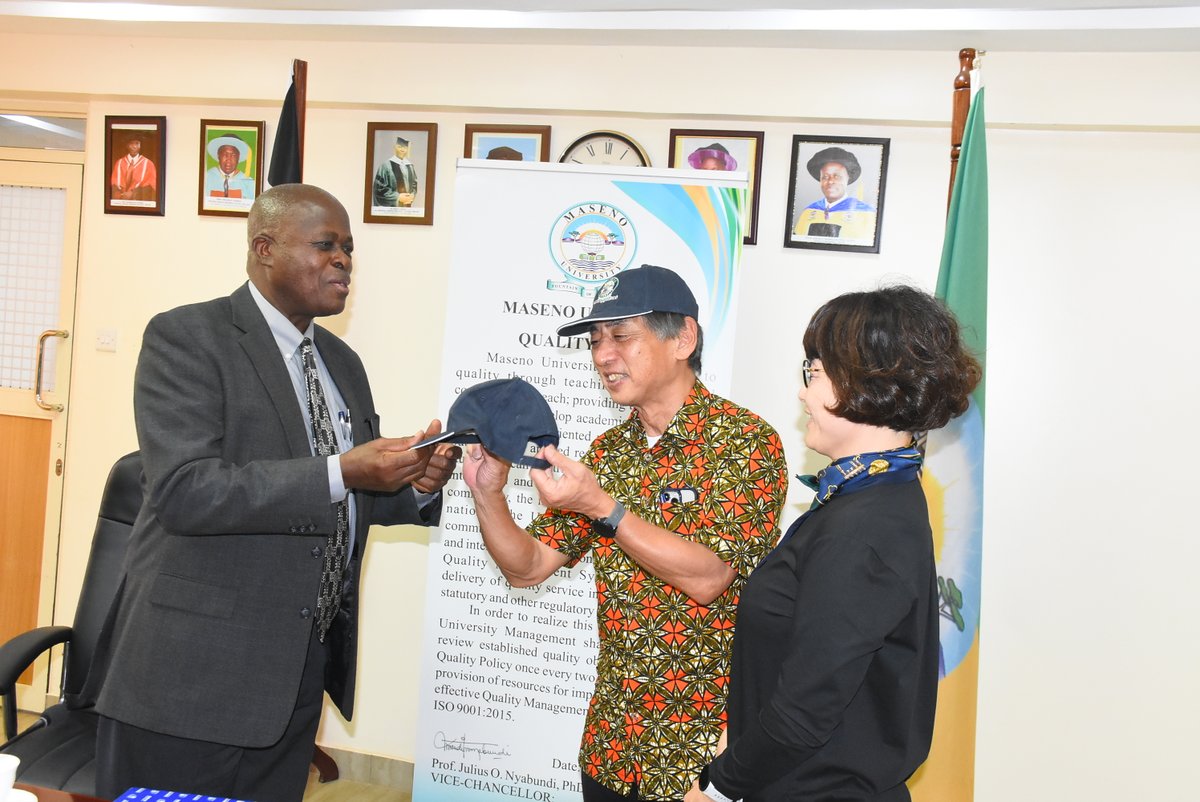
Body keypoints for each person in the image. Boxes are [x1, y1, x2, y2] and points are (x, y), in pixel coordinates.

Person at [86, 184, 460, 802]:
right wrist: (344, 470)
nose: (343, 261)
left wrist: (412, 484)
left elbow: (343, 496)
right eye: (326, 245)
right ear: (265, 248)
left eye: (348, 249)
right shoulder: (187, 338)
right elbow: (186, 491)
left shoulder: (342, 364)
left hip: (294, 679)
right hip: (190, 680)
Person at [463, 264, 789, 802]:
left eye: (621, 336)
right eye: (594, 341)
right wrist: (486, 493)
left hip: (703, 755)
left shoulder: (746, 443)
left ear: (683, 338)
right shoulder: (608, 453)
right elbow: (527, 568)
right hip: (611, 743)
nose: (601, 356)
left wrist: (601, 506)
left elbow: (710, 578)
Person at [688, 285, 982, 802]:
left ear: (865, 383)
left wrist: (714, 790)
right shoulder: (872, 493)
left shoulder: (864, 526)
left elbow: (803, 714)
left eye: (815, 373)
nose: (803, 392)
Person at [792, 146, 876, 241]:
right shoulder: (808, 212)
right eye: (825, 177)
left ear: (848, 179)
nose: (830, 181)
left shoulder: (865, 214)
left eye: (837, 176)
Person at [204, 135, 256, 201]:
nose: (229, 159)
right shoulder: (206, 178)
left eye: (233, 155)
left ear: (238, 158)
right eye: (225, 154)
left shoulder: (249, 183)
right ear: (218, 156)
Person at [110, 132, 157, 202]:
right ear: (127, 145)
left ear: (140, 145)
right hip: (120, 201)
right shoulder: (119, 163)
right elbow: (113, 184)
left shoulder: (148, 164)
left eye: (137, 143)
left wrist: (133, 193)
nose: (134, 146)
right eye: (131, 143)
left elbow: (151, 186)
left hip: (139, 202)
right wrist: (120, 195)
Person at [372, 136, 417, 207]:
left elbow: (414, 185)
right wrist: (398, 197)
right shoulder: (385, 166)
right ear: (395, 148)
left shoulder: (410, 166)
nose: (402, 149)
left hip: (406, 210)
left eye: (405, 147)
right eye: (399, 147)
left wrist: (412, 196)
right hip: (391, 211)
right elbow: (379, 190)